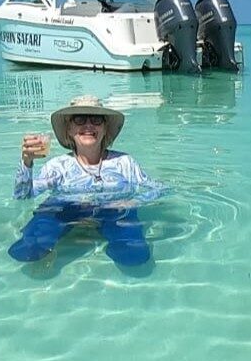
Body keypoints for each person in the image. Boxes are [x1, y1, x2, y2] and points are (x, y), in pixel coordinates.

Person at [10, 95, 164, 268]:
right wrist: (26, 163)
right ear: (69, 129)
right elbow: (23, 197)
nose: (88, 125)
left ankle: (110, 245)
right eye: (79, 119)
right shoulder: (58, 166)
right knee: (29, 249)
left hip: (114, 210)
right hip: (65, 208)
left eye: (96, 119)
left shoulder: (124, 162)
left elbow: (159, 189)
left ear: (105, 128)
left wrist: (133, 201)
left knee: (135, 256)